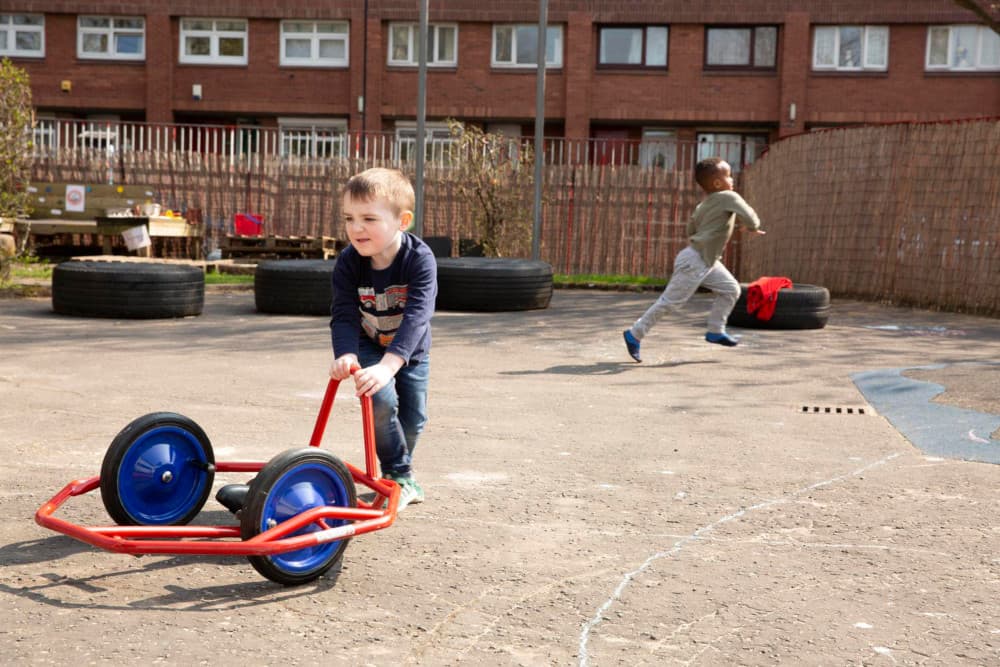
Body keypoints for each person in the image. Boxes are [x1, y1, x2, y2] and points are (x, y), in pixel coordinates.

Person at [329, 167, 437, 510]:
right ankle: (400, 476)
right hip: (369, 344)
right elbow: (344, 314)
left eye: (369, 219)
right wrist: (347, 354)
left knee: (414, 418)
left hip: (409, 350)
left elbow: (418, 317)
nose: (356, 228)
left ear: (401, 221)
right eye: (349, 218)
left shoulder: (419, 260)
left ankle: (395, 472)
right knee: (381, 399)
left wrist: (392, 365)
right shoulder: (349, 263)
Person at [622, 157, 765, 362]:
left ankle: (715, 330)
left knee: (731, 289)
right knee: (671, 302)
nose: (732, 179)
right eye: (729, 175)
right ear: (717, 183)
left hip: (703, 258)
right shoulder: (729, 197)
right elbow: (752, 218)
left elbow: (691, 230)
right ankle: (634, 333)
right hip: (696, 260)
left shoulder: (703, 205)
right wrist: (750, 227)